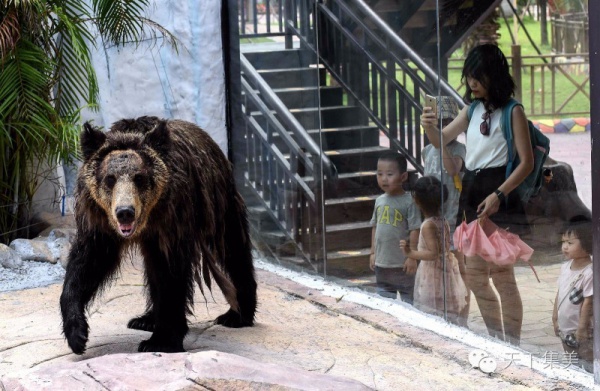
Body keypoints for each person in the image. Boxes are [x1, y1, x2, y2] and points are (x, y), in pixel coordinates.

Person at [420, 44, 534, 345]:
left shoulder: (513, 111)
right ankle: (498, 339)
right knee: (474, 276)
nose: (472, 82)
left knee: (503, 277)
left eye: (479, 76)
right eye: (470, 75)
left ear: (494, 76)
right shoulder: (471, 109)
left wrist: (499, 193)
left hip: (499, 190)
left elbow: (526, 162)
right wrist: (429, 127)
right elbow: (440, 141)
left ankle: (514, 344)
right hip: (472, 191)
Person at [421, 97, 470, 326]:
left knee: (458, 266)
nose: (443, 127)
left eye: (448, 121)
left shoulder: (459, 149)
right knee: (438, 265)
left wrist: (442, 145)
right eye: (438, 122)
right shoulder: (426, 151)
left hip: (453, 217)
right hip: (434, 217)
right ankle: (441, 310)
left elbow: (452, 170)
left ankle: (462, 314)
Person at [399, 176, 468, 324]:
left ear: (417, 200)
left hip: (433, 272)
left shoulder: (428, 225)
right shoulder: (443, 221)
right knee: (444, 306)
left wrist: (411, 253)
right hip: (445, 268)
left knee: (431, 307)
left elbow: (432, 254)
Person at [369, 151, 422, 303]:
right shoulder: (379, 201)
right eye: (380, 174)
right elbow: (375, 227)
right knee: (385, 302)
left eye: (389, 174)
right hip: (382, 264)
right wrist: (372, 253)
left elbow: (415, 230)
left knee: (408, 302)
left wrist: (412, 257)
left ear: (403, 176)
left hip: (402, 265)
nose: (384, 179)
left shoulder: (409, 201)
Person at [552, 223, 593, 372]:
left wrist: (582, 329)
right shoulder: (565, 267)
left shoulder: (590, 272)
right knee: (572, 361)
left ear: (587, 243)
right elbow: (560, 293)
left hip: (580, 330)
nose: (565, 247)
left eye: (570, 243)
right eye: (563, 242)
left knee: (587, 362)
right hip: (565, 328)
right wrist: (555, 317)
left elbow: (588, 302)